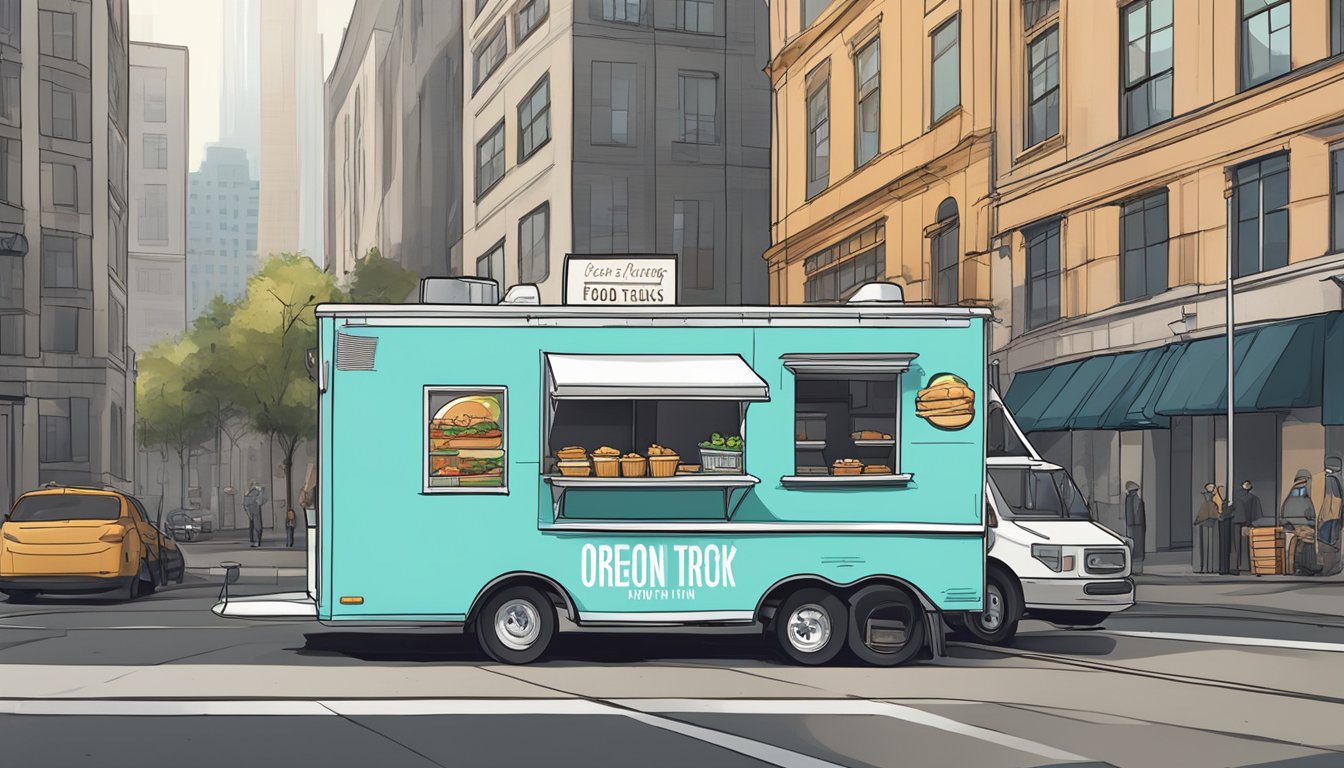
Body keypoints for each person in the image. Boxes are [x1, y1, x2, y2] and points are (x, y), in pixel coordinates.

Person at [1282, 470, 1317, 575]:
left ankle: (1306, 567)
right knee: (1306, 543)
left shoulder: (1295, 493)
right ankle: (1304, 567)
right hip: (1298, 527)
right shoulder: (1302, 492)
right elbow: (1306, 509)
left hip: (1296, 526)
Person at [1315, 457, 1343, 575]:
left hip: (1329, 516)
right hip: (1333, 516)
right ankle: (1331, 568)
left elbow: (1332, 500)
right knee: (1332, 542)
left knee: (1327, 542)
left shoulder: (1330, 479)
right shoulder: (1338, 479)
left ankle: (1329, 568)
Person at [1195, 483, 1221, 573]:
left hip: (1206, 523)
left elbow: (1202, 515)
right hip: (1210, 523)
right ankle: (1208, 567)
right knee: (1209, 546)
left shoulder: (1208, 502)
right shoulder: (1211, 503)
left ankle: (1205, 567)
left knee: (1206, 546)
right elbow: (1214, 514)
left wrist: (1198, 520)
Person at [1124, 481, 1146, 574]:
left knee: (1134, 541)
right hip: (1136, 524)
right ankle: (1137, 558)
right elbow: (1136, 512)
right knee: (1137, 542)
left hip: (1133, 524)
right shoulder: (1134, 498)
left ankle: (1136, 558)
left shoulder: (1129, 498)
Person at [243, 482, 265, 548]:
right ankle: (256, 541)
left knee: (255, 526)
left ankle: (256, 541)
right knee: (257, 526)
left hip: (253, 509)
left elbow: (245, 505)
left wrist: (248, 514)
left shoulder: (249, 495)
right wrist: (261, 491)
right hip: (254, 509)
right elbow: (260, 501)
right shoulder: (254, 494)